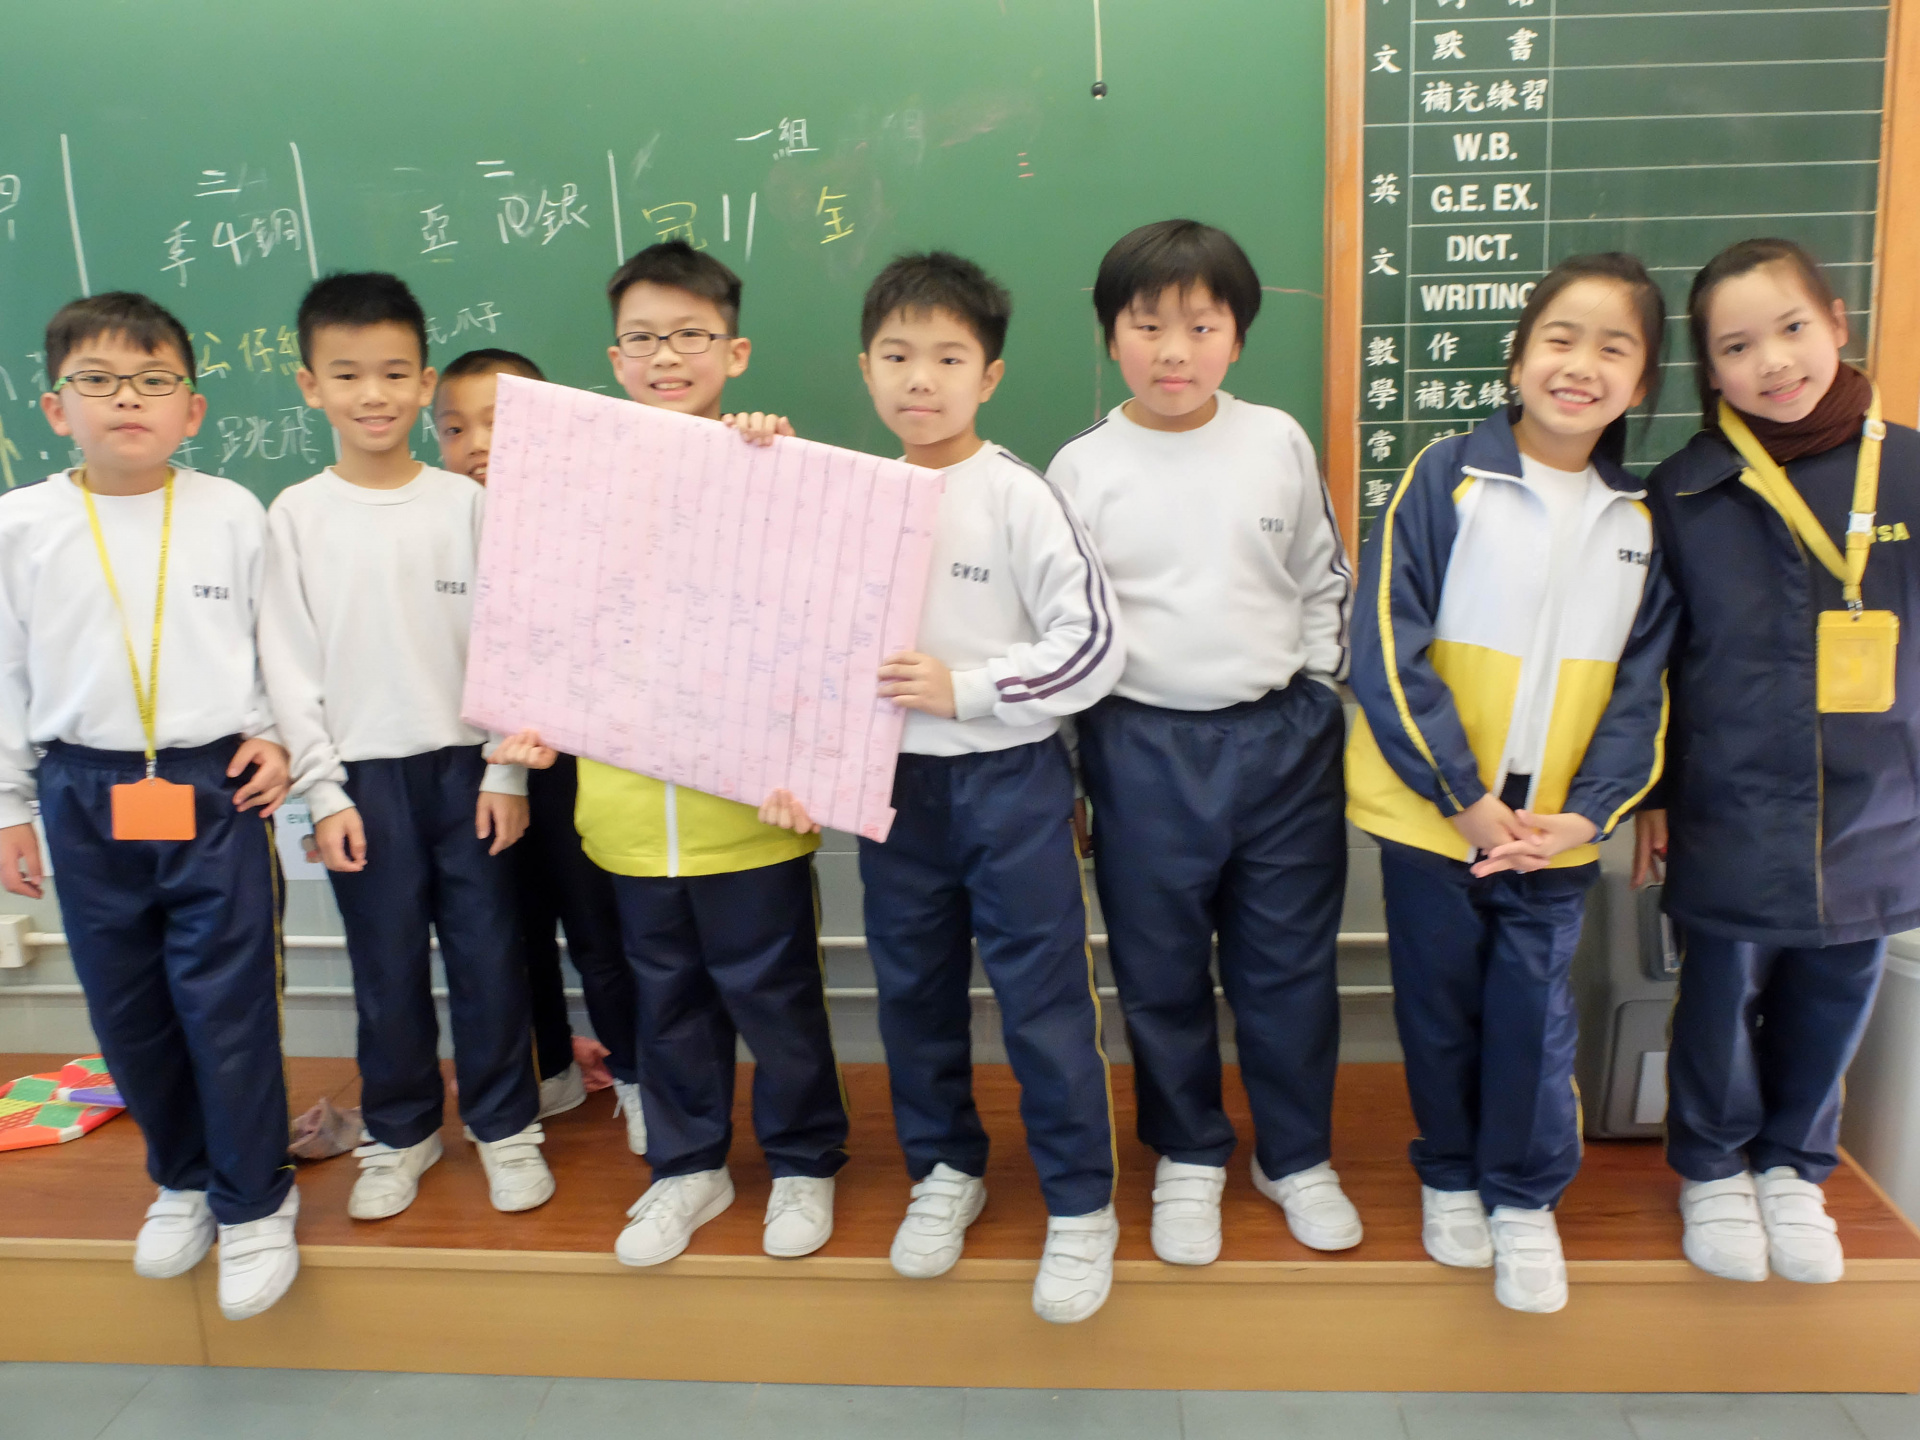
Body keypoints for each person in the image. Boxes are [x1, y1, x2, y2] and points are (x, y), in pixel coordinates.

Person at [764, 252, 1125, 1322]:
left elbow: (1092, 646)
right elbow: (799, 638)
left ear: (990, 376)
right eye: (896, 356)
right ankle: (944, 1170)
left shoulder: (1018, 495)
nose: (920, 379)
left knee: (1044, 1004)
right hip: (891, 791)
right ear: (865, 369)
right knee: (913, 995)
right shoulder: (849, 496)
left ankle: (1080, 1205)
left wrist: (966, 688)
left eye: (948, 358)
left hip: (1011, 786)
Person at [494, 241, 847, 1265]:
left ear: (735, 352)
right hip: (627, 816)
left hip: (752, 814)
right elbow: (541, 628)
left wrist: (776, 470)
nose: (666, 356)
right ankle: (689, 1167)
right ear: (614, 358)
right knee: (669, 1003)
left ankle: (804, 1161)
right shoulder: (574, 490)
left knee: (777, 1001)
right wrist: (521, 728)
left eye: (691, 335)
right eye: (643, 338)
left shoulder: (775, 470)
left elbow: (822, 621)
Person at [1348, 253, 1678, 1314]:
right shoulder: (1447, 477)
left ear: (1643, 381)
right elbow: (1385, 645)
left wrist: (1587, 814)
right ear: (1518, 356)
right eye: (1559, 339)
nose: (1580, 366)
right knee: (1441, 1008)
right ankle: (1450, 1171)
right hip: (1437, 820)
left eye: (1613, 348)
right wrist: (1463, 798)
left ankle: (1524, 1197)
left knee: (1534, 1015)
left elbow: (1645, 690)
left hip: (1552, 835)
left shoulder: (1644, 520)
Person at [1047, 219, 1359, 1266]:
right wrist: (1077, 768)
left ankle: (1296, 1155)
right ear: (1112, 337)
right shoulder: (1081, 469)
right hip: (1141, 749)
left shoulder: (1277, 441)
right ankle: (1188, 1153)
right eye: (1147, 326)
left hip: (1283, 743)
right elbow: (1064, 627)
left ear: (1237, 336)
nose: (1173, 351)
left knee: (1289, 967)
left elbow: (1321, 577)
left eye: (1201, 325)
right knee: (1159, 969)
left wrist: (1315, 692)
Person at [0, 292, 298, 1319]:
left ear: (193, 409)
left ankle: (255, 1199)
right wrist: (8, 804)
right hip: (82, 789)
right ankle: (183, 1178)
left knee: (228, 1004)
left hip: (213, 782)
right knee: (126, 1004)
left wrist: (275, 734)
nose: (127, 398)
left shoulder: (232, 510)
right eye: (98, 380)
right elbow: (3, 671)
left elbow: (274, 642)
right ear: (54, 408)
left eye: (153, 380)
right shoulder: (20, 524)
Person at [1637, 238, 1920, 1287]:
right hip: (1731, 799)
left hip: (1882, 799)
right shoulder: (1687, 491)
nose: (1773, 362)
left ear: (1837, 324)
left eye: (1792, 329)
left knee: (1839, 985)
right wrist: (1655, 795)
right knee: (1720, 991)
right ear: (1710, 371)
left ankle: (1794, 1166)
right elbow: (1653, 663)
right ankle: (1712, 1168)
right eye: (1737, 347)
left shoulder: (1912, 468)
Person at [259, 273, 552, 1223]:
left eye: (394, 373)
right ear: (311, 386)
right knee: (384, 969)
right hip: (360, 781)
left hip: (467, 772)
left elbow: (512, 642)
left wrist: (505, 770)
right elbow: (287, 670)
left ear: (426, 383)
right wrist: (324, 793)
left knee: (490, 959)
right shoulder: (294, 516)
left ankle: (506, 1127)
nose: (373, 394)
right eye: (347, 375)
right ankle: (401, 1131)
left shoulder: (464, 505)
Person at [434, 347, 644, 1155]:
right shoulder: (437, 526)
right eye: (455, 429)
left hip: (575, 766)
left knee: (598, 931)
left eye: (500, 422)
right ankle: (549, 1067)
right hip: (479, 769)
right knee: (510, 933)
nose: (478, 445)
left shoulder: (592, 526)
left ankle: (638, 1077)